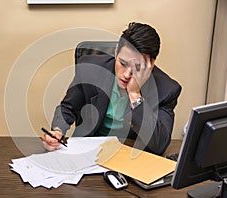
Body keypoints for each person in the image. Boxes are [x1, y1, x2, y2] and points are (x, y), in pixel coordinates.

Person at [42, 22, 182, 155]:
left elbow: (159, 145)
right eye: (123, 63)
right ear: (116, 52)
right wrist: (57, 131)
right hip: (90, 152)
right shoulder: (90, 70)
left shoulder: (167, 90)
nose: (127, 74)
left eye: (137, 68)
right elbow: (67, 108)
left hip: (131, 155)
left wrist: (135, 94)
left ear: (150, 65)